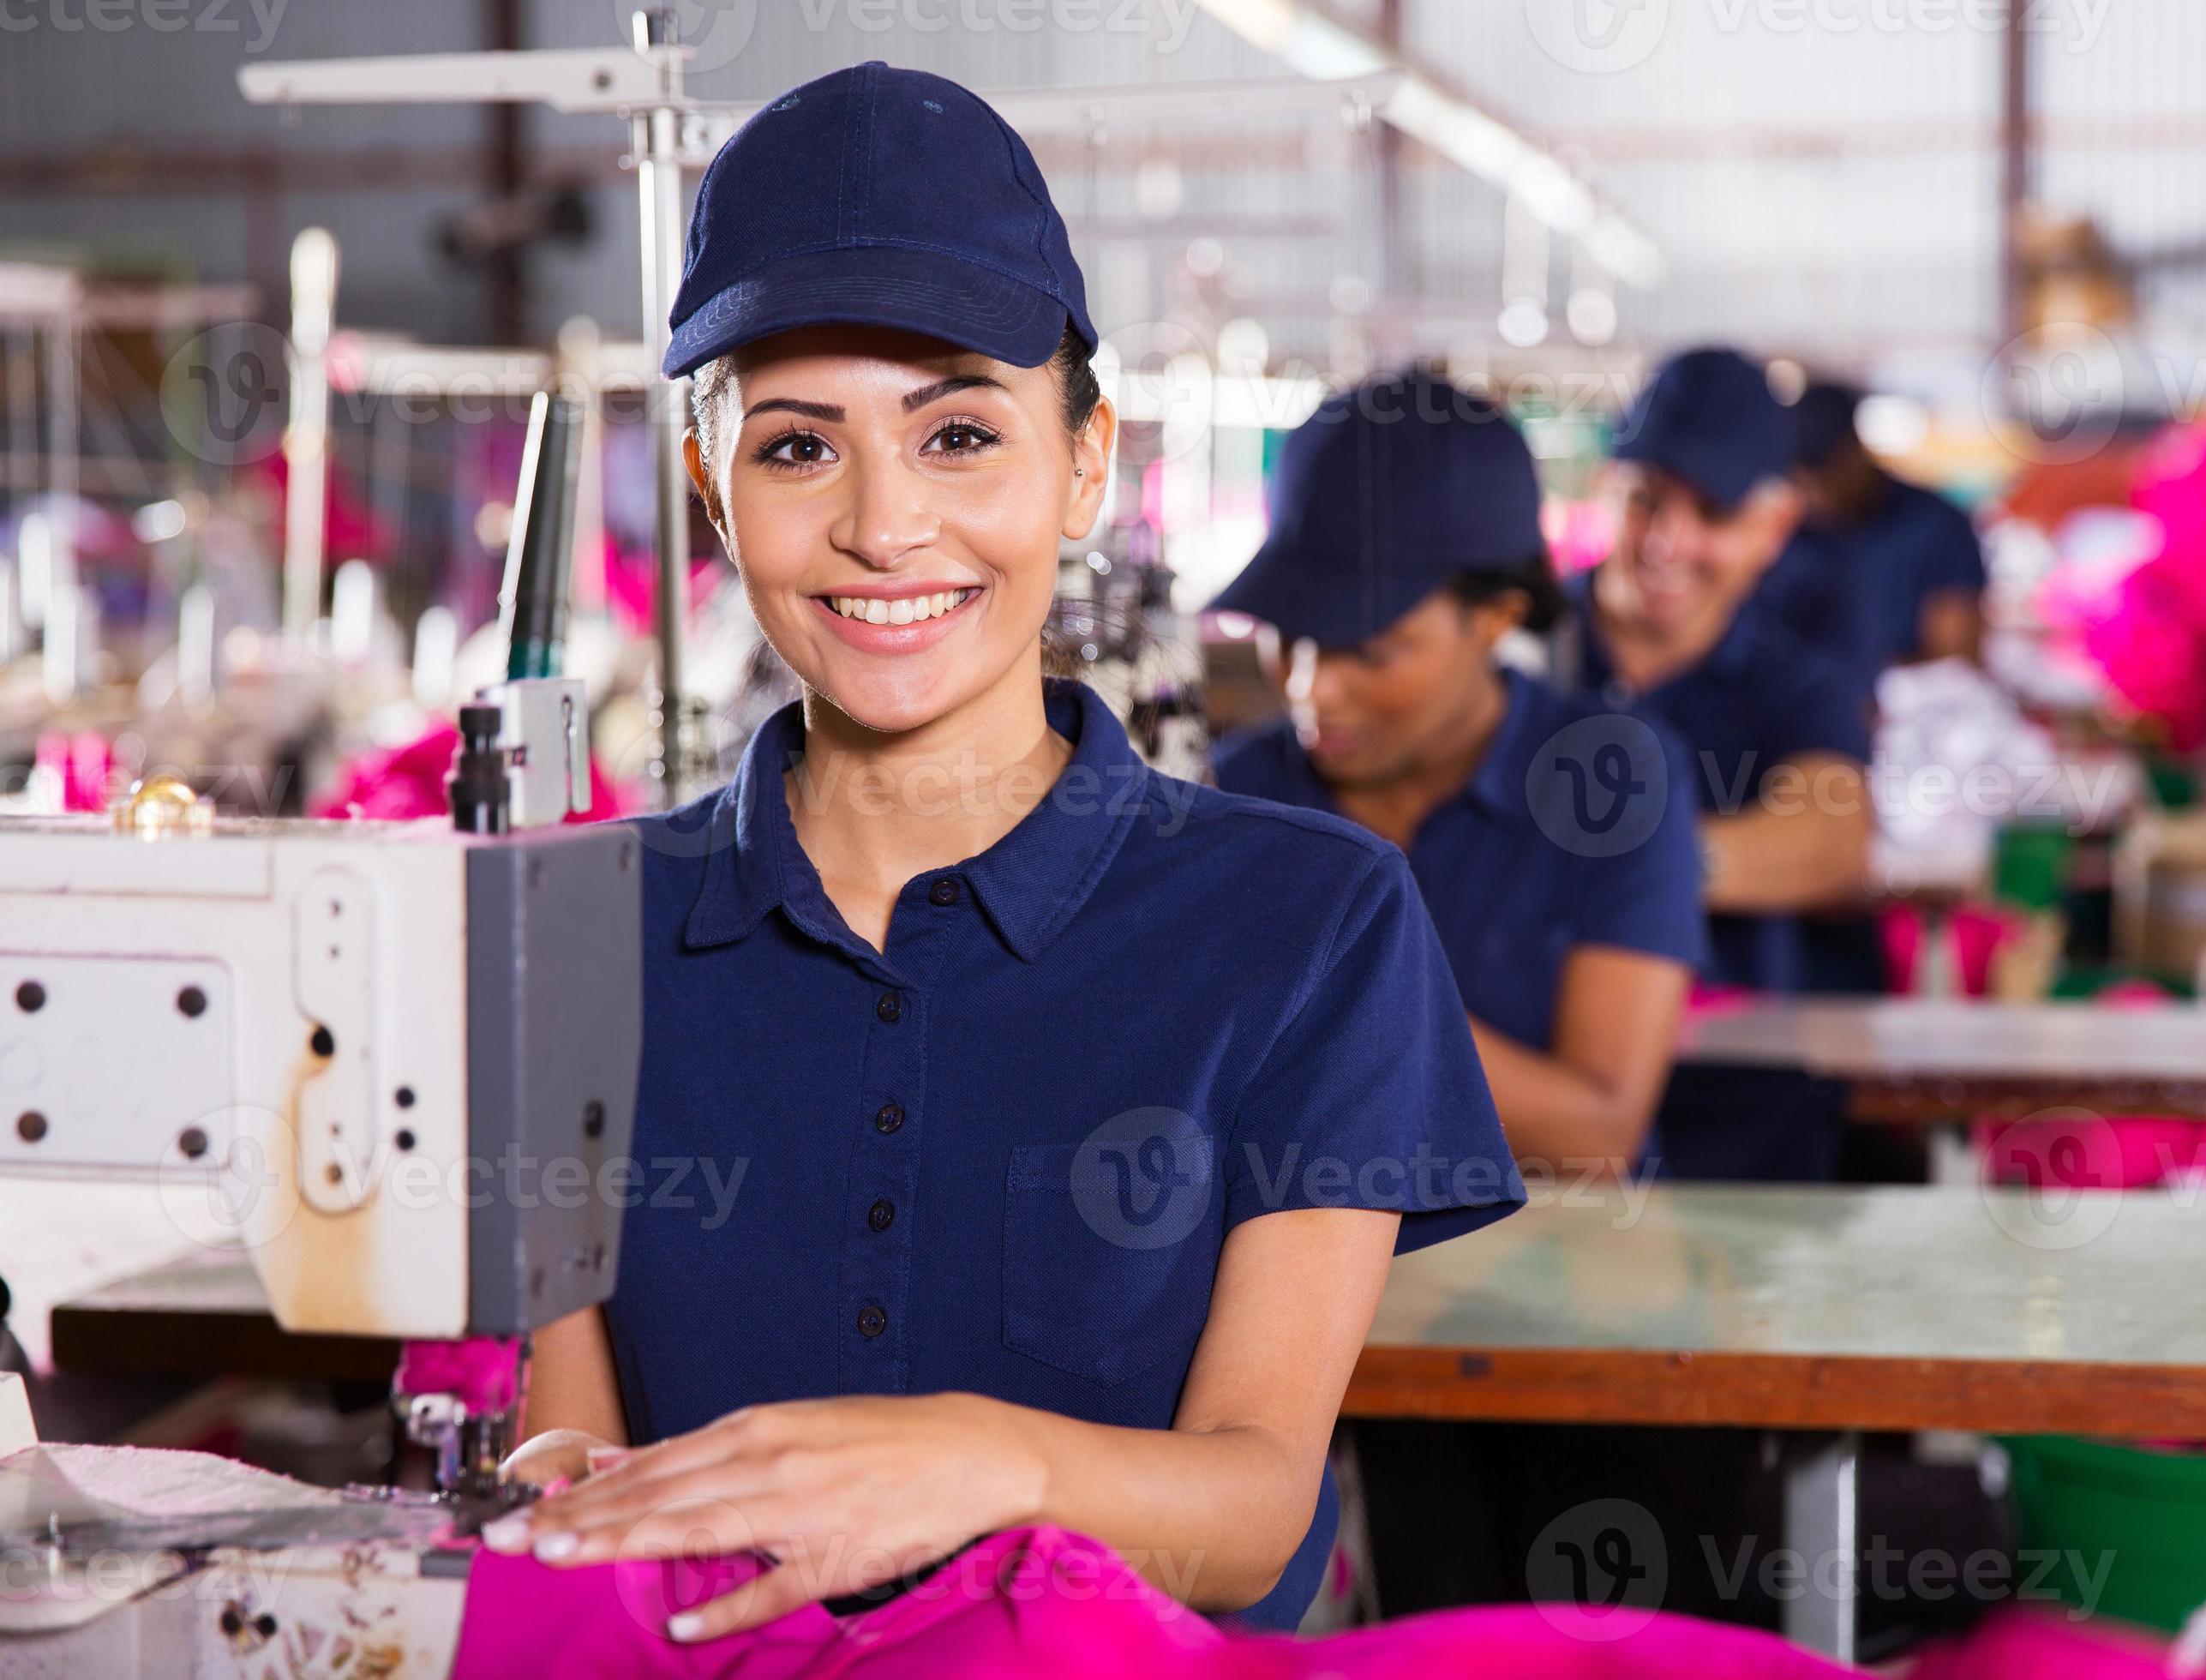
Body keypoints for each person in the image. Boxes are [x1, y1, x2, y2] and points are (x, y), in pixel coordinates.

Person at [491, 63, 1523, 1641]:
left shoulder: (1307, 923)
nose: (886, 528)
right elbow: (575, 1461)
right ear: (709, 483)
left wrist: (978, 1467)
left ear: (1086, 464)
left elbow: (1253, 1516)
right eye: (795, 448)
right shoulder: (573, 929)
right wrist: (547, 1488)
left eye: (960, 433)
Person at [1209, 369, 1704, 1173]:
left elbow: (1597, 1134)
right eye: (1285, 633)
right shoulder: (1233, 793)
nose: (1309, 688)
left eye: (1369, 650)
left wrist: (1321, 1001)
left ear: (1497, 618)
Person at [1562, 345, 1874, 1179]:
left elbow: (1832, 836)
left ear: (1773, 528)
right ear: (1606, 490)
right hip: (1525, 1082)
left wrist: (1634, 872)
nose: (1670, 541)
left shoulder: (1793, 682)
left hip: (1729, 1099)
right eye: (1647, 501)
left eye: (1715, 513)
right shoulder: (1511, 643)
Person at [1792, 378, 1988, 669]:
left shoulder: (1938, 526)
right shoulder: (1791, 535)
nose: (1822, 495)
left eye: (1829, 477)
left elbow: (1956, 659)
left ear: (1855, 449)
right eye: (1808, 484)